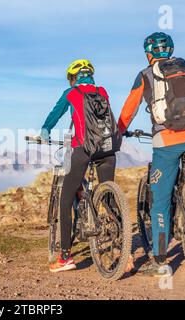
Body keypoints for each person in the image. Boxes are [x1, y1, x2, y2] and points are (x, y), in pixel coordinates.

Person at [117, 32, 185, 276]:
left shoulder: (146, 74)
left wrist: (119, 131)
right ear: (170, 50)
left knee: (160, 200)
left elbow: (130, 108)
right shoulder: (184, 69)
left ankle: (159, 261)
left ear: (149, 53)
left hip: (166, 141)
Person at [37, 59, 119, 273]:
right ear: (90, 75)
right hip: (107, 150)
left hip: (82, 148)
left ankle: (65, 257)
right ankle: (122, 252)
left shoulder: (71, 93)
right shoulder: (102, 91)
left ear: (73, 78)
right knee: (110, 198)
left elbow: (56, 113)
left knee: (65, 199)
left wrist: (45, 131)